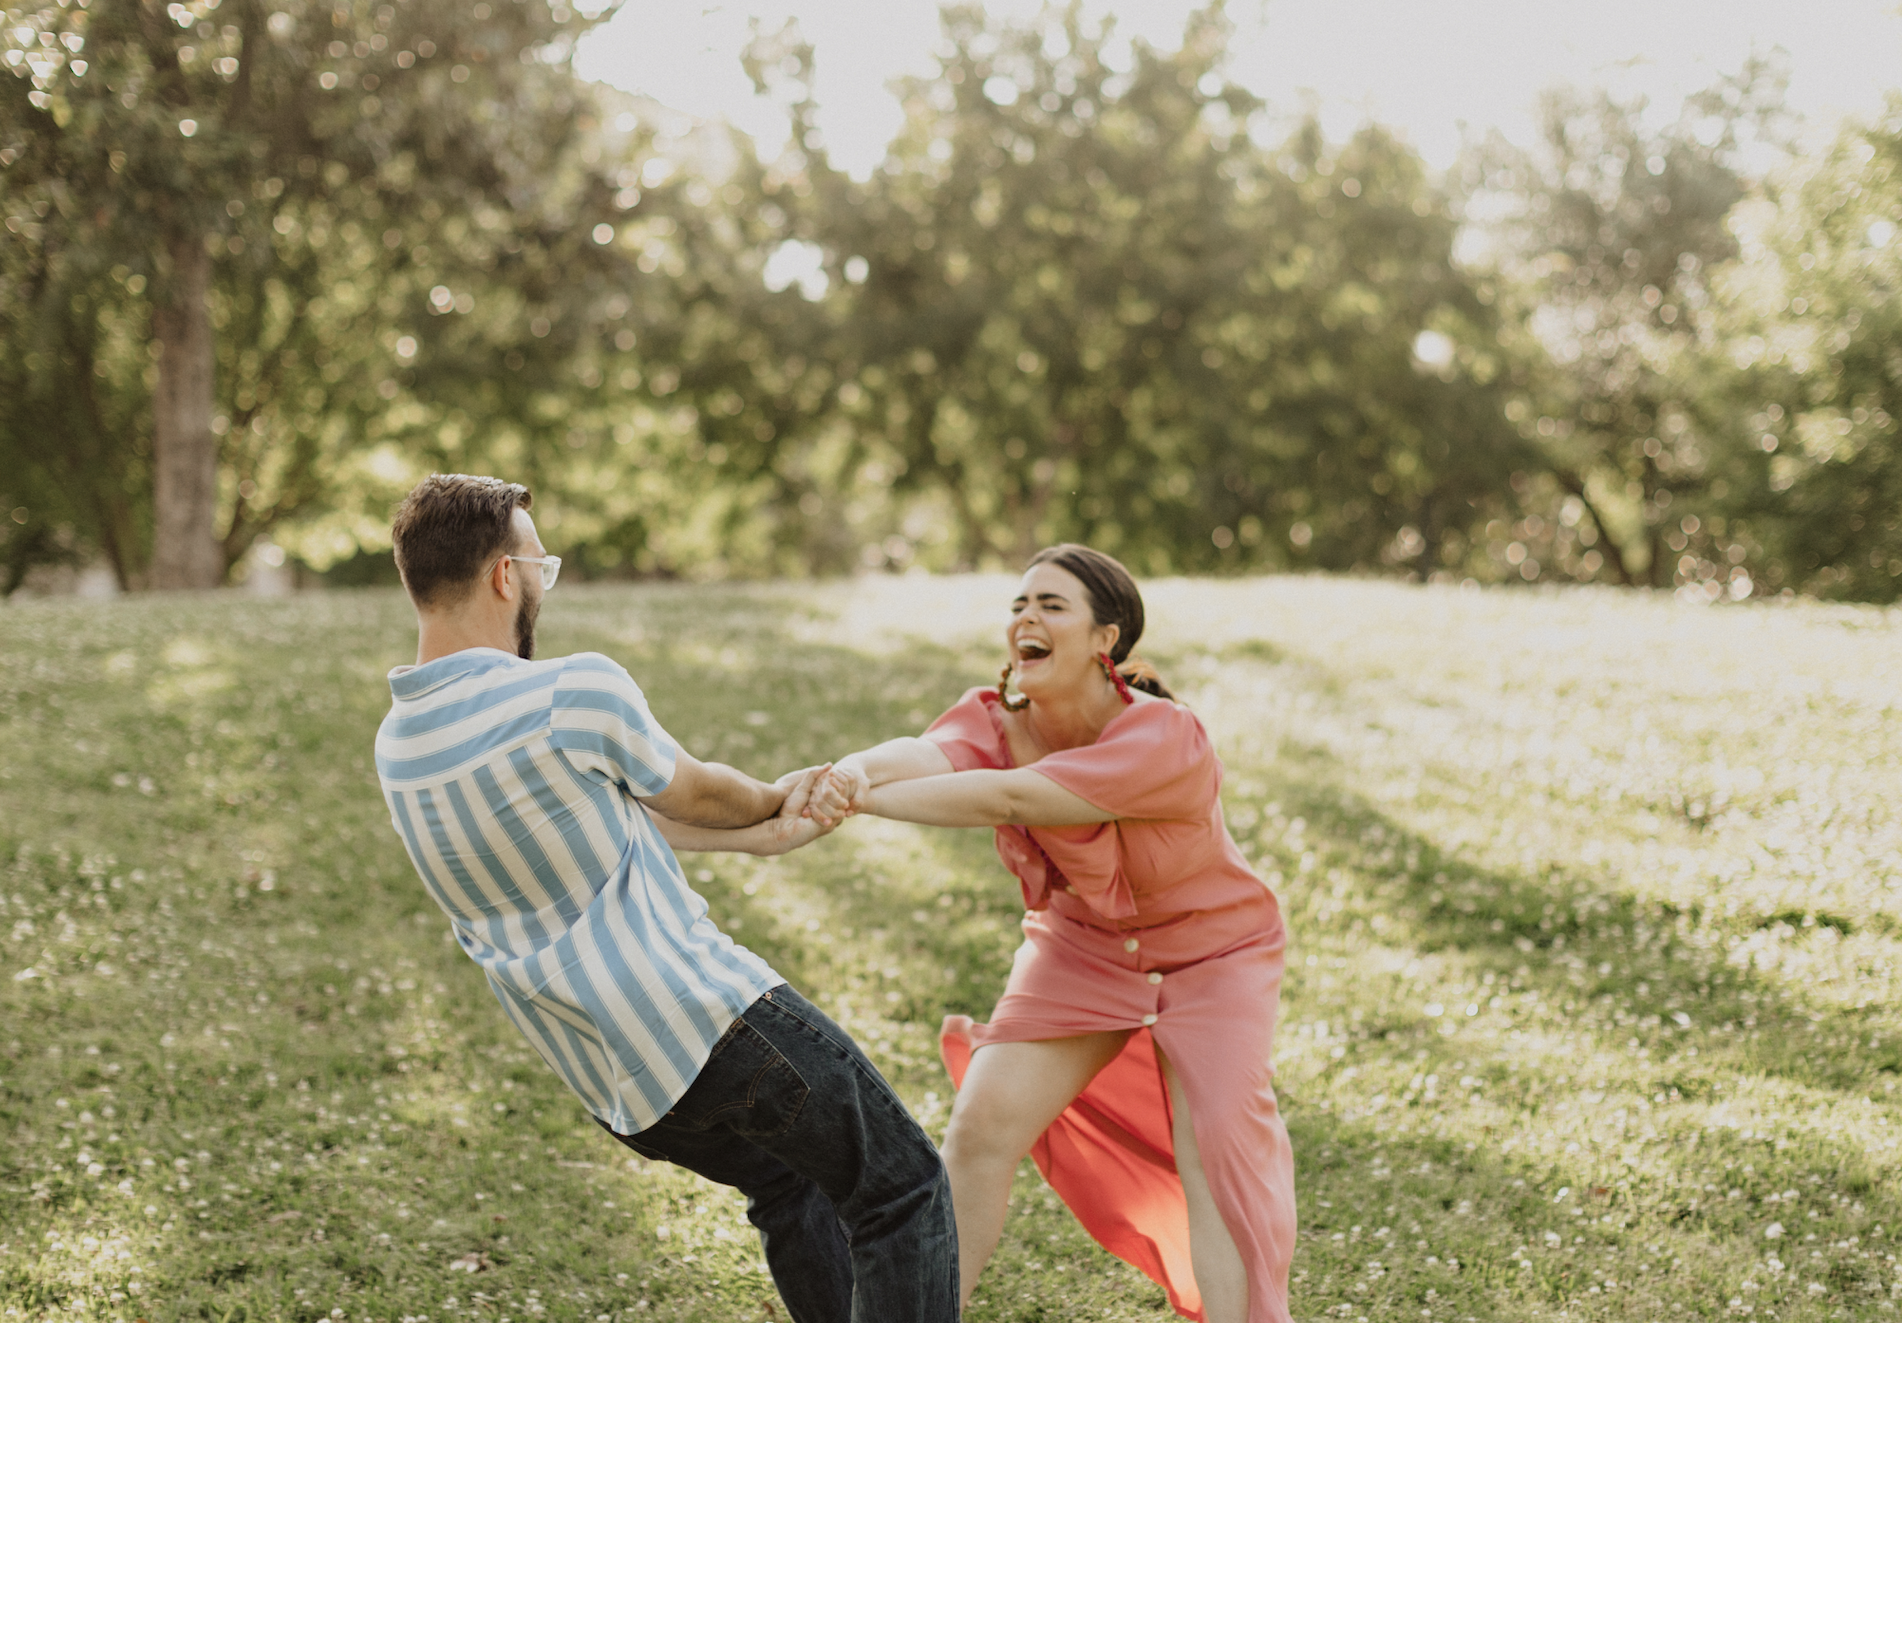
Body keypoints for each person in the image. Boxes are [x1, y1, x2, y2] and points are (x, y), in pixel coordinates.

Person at [372, 472, 958, 1323]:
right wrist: (768, 797)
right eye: (542, 566)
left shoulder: (403, 748)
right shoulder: (569, 690)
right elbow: (696, 793)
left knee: (791, 1186)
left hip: (625, 1088)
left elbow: (602, 820)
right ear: (505, 576)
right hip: (706, 1021)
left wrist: (764, 832)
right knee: (902, 1187)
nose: (544, 585)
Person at [818, 544, 1297, 1323]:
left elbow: (1009, 799)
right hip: (1081, 947)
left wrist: (862, 803)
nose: (1025, 620)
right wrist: (850, 771)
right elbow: (925, 753)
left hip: (1216, 952)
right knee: (982, 1122)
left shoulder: (1167, 737)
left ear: (1106, 639)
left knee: (1215, 1147)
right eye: (1018, 605)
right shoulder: (995, 717)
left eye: (1051, 605)